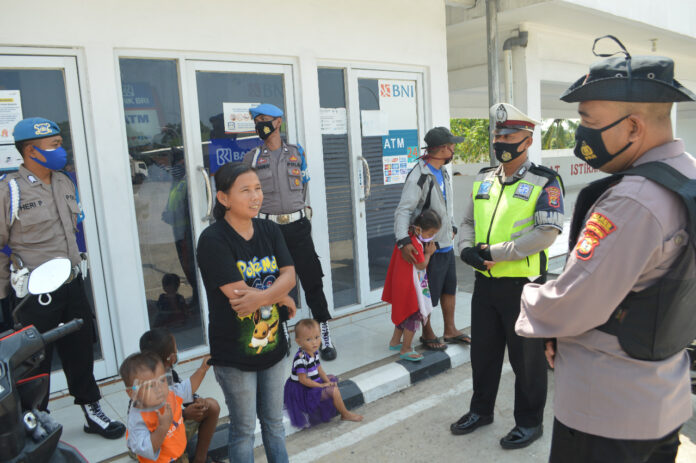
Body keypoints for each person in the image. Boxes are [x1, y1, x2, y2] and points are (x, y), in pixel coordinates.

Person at [515, 36, 696, 462]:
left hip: (606, 414)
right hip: (662, 399)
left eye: (588, 120)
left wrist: (528, 295)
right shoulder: (687, 178)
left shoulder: (633, 201)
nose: (582, 133)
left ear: (633, 127)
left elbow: (574, 304)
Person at [0, 117, 125, 438]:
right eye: (54, 144)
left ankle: (91, 408)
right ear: (31, 150)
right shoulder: (9, 190)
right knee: (33, 361)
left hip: (70, 284)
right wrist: (3, 296)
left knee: (80, 350)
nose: (61, 149)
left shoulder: (64, 181)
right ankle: (35, 418)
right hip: (32, 295)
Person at [451, 103, 564, 450]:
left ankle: (530, 424)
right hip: (484, 285)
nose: (499, 141)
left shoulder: (545, 180)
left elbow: (547, 232)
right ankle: (480, 410)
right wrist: (466, 249)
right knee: (482, 355)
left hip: (524, 288)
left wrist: (495, 253)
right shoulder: (484, 178)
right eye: (496, 135)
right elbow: (467, 222)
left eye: (508, 135)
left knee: (526, 362)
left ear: (526, 140)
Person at [196, 162, 297, 463]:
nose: (256, 197)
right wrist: (281, 297)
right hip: (234, 355)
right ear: (223, 198)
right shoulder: (213, 240)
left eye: (258, 189)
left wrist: (268, 297)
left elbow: (290, 274)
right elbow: (238, 296)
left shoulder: (269, 229)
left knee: (275, 424)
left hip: (274, 347)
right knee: (242, 428)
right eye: (245, 191)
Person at [242, 103, 337, 361]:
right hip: (269, 228)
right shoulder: (251, 157)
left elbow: (304, 186)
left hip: (297, 226)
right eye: (256, 119)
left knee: (312, 279)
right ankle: (282, 334)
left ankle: (324, 334)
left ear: (278, 122)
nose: (259, 123)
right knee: (276, 284)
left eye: (264, 119)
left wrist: (300, 212)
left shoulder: (297, 152)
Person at [394, 126, 470, 352]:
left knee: (449, 288)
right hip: (428, 247)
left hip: (445, 244)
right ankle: (427, 334)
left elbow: (445, 205)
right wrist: (403, 241)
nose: (454, 148)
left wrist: (453, 226)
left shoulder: (443, 171)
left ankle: (450, 329)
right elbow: (403, 210)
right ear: (444, 149)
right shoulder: (419, 176)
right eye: (452, 145)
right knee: (428, 294)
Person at [139, 328, 221, 463]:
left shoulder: (169, 374)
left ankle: (200, 460)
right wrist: (185, 414)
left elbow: (183, 391)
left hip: (173, 428)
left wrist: (197, 401)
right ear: (171, 358)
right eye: (176, 351)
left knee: (211, 406)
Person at [121, 351, 207, 463]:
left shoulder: (170, 394)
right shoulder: (138, 418)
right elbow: (144, 448)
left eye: (162, 380)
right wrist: (163, 427)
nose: (159, 389)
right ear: (132, 394)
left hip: (178, 454)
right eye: (150, 386)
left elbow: (187, 388)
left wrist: (202, 369)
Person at [383, 209, 441, 361]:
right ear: (418, 229)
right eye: (430, 234)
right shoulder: (415, 244)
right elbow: (421, 265)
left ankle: (395, 341)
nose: (431, 237)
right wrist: (429, 253)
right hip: (410, 288)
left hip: (403, 285)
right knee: (414, 316)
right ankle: (406, 348)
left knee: (403, 315)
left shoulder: (406, 239)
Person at [283, 318, 363, 427]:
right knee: (333, 390)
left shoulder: (314, 351)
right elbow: (303, 380)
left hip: (310, 383)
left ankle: (334, 398)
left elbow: (319, 369)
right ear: (298, 341)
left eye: (316, 337)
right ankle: (345, 414)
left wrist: (327, 381)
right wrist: (321, 385)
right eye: (308, 339)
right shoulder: (300, 359)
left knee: (331, 378)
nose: (314, 342)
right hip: (302, 390)